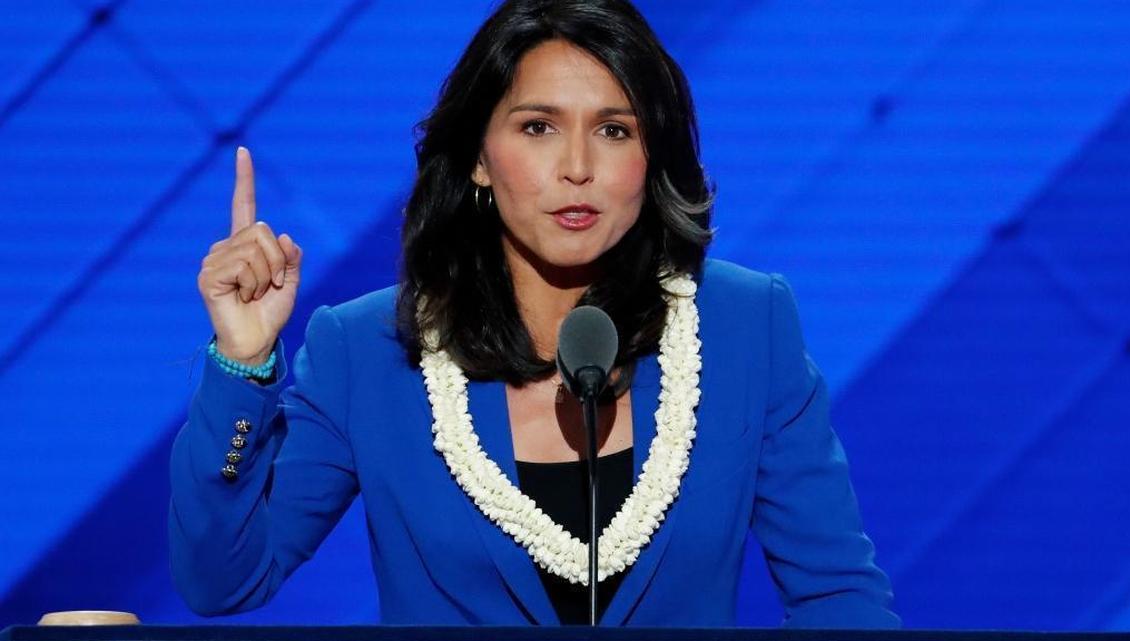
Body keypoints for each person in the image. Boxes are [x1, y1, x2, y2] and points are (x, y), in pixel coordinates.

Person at [170, 0, 899, 628]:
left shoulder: (746, 326)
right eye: (538, 127)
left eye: (614, 130)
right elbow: (223, 581)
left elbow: (839, 595)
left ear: (652, 156)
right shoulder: (366, 349)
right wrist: (241, 362)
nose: (577, 167)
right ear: (479, 157)